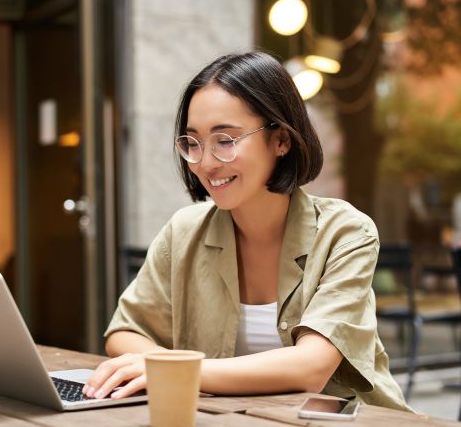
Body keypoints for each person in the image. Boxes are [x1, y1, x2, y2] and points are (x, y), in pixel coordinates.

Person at [82, 51, 411, 411]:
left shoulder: (345, 233)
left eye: (225, 140)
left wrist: (173, 369)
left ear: (281, 140)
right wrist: (161, 365)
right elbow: (125, 332)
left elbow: (311, 367)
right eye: (193, 143)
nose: (205, 163)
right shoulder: (184, 231)